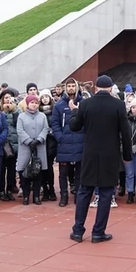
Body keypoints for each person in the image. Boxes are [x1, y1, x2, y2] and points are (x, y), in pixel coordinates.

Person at [69, 75, 132, 243]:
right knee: (105, 193)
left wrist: (74, 111)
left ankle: (77, 230)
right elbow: (126, 134)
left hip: (89, 154)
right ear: (111, 88)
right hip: (110, 155)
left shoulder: (86, 104)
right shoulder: (119, 105)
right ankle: (98, 232)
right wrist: (127, 156)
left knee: (84, 191)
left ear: (95, 88)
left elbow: (74, 127)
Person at [52, 78, 85, 207]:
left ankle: (78, 195)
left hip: (80, 141)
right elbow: (55, 123)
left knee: (79, 172)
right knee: (63, 173)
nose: (71, 88)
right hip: (64, 143)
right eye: (69, 86)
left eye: (73, 86)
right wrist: (60, 137)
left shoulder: (83, 103)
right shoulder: (59, 105)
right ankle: (64, 196)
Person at [16, 93, 49, 205]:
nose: (34, 105)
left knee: (37, 173)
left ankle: (36, 196)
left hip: (39, 147)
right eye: (32, 103)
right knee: (25, 174)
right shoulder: (21, 116)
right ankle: (26, 196)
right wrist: (29, 141)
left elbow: (45, 128)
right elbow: (20, 130)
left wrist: (39, 139)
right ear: (27, 104)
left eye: (36, 103)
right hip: (26, 147)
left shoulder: (42, 116)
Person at [38, 90, 58, 201]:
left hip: (51, 142)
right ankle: (44, 190)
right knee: (41, 167)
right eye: (43, 97)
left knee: (49, 166)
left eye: (47, 96)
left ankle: (51, 190)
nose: (45, 99)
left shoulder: (54, 111)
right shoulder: (38, 112)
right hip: (41, 142)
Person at [0, 90, 20, 201]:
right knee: (2, 169)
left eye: (10, 98)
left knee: (12, 169)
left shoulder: (17, 111)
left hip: (14, 144)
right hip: (2, 144)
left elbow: (19, 123)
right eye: (6, 98)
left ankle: (10, 188)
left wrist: (14, 109)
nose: (8, 100)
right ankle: (1, 190)